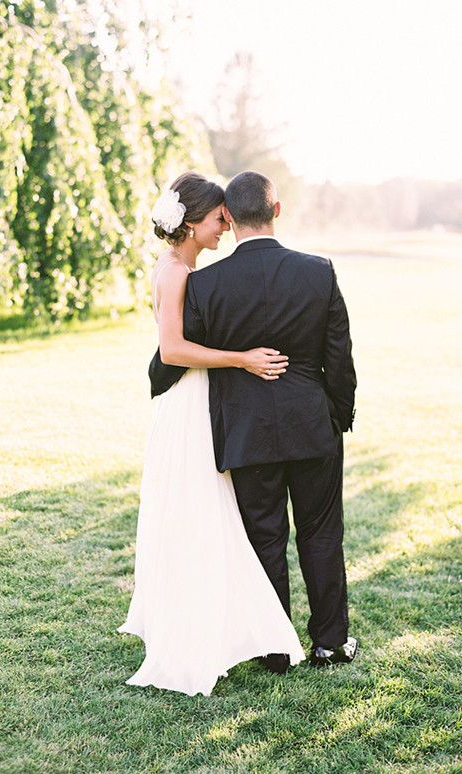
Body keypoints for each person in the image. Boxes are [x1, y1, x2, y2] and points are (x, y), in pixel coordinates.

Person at [118, 171, 304, 696]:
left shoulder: (183, 266)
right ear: (192, 222)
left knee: (201, 511)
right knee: (196, 511)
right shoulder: (176, 272)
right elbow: (172, 350)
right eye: (219, 218)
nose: (226, 225)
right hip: (186, 403)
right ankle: (193, 632)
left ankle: (214, 623)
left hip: (195, 399)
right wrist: (241, 359)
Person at [183, 171, 358, 673]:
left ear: (229, 218)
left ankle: (274, 650)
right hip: (312, 426)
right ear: (277, 211)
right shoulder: (318, 271)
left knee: (264, 538)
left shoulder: (204, 284)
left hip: (246, 431)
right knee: (321, 533)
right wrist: (336, 418)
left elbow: (180, 354)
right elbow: (339, 358)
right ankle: (330, 643)